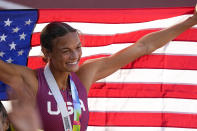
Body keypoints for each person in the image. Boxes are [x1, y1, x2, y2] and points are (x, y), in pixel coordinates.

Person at [0, 6, 197, 131]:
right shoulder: (33, 80)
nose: (75, 56)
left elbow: (142, 47)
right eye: (66, 50)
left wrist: (192, 21)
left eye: (78, 47)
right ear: (47, 52)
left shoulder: (84, 75)